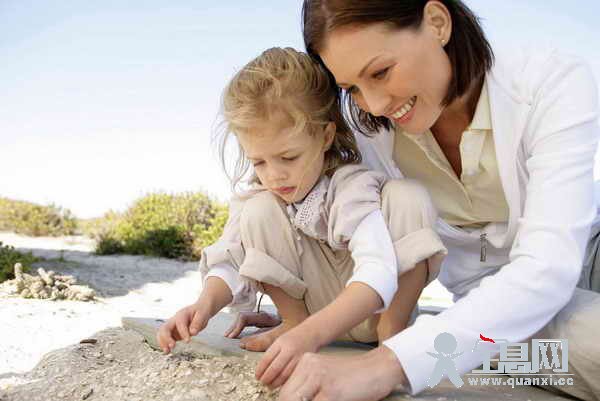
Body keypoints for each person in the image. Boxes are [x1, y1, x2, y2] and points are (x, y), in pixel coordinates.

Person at [234, 1, 600, 400]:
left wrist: (386, 364)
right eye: (351, 88)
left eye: (380, 72)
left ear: (438, 23)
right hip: (503, 304)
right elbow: (300, 202)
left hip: (584, 258)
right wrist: (301, 317)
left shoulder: (549, 82)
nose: (374, 104)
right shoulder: (370, 135)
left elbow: (547, 267)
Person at [156, 47, 447, 389]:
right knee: (258, 210)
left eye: (289, 157)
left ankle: (391, 337)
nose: (274, 175)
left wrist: (313, 334)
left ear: (325, 137)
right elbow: (230, 259)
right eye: (259, 162)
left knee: (408, 196)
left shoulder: (350, 186)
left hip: (374, 311)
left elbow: (378, 271)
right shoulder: (261, 197)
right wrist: (203, 306)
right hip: (308, 322)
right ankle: (292, 322)